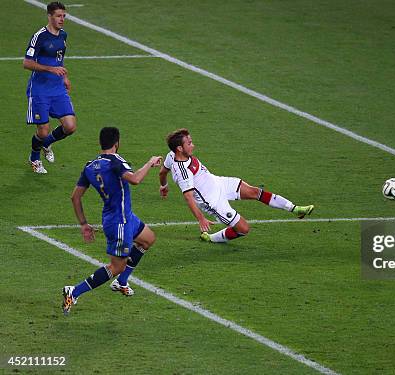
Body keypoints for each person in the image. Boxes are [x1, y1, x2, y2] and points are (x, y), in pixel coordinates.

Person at [62, 127, 162, 315]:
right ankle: (74, 291)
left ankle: (121, 282)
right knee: (116, 266)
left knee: (148, 239)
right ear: (117, 143)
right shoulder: (116, 161)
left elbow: (75, 197)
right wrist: (150, 163)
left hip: (123, 216)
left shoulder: (90, 166)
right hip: (119, 223)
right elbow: (135, 180)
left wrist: (84, 224)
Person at [158, 128, 314, 243]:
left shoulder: (172, 155)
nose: (193, 145)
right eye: (189, 143)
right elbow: (188, 197)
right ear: (180, 148)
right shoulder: (183, 171)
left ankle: (295, 209)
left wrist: (164, 186)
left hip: (219, 182)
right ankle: (212, 238)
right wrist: (201, 218)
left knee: (255, 192)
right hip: (212, 201)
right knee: (243, 229)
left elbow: (162, 172)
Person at [24, 2, 77, 174]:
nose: (62, 19)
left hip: (57, 88)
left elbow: (59, 60)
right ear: (49, 16)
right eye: (58, 16)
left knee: (70, 126)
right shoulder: (39, 36)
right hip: (40, 90)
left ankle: (47, 143)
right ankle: (34, 157)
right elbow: (27, 63)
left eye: (64, 16)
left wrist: (64, 77)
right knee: (43, 130)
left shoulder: (63, 35)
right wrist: (50, 69)